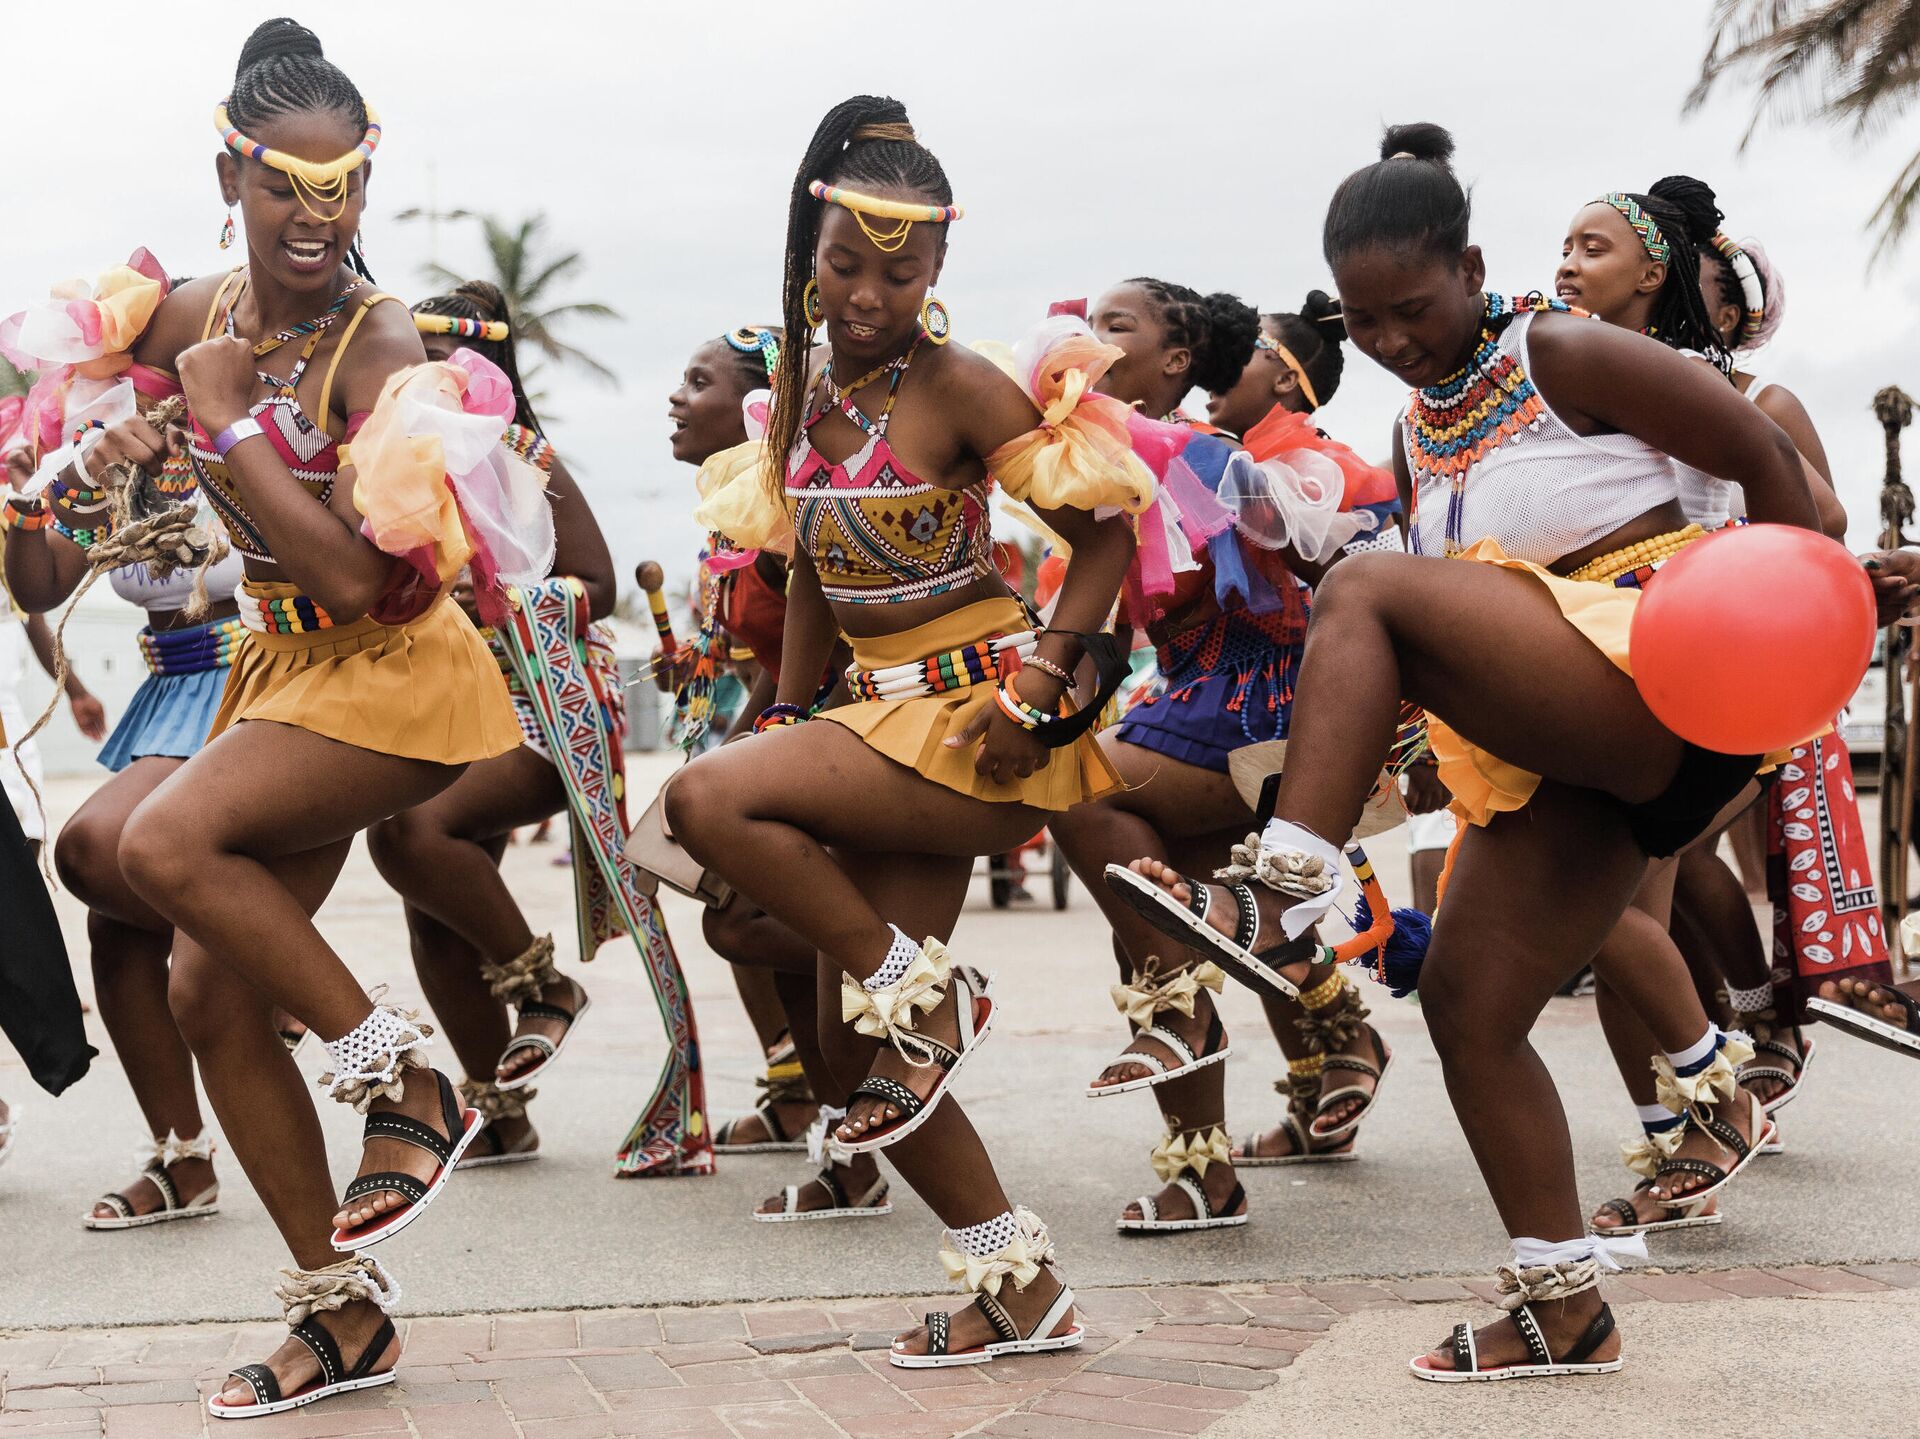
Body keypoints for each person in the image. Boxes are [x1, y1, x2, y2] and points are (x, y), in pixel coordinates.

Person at [1105, 123, 1859, 1382]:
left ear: (1470, 266)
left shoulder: (1560, 348)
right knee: (1469, 997)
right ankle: (1564, 1303)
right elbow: (1460, 638)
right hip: (1575, 749)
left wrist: (1789, 640)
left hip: (1664, 678)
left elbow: (1779, 476)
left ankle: (1281, 890)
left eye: (1410, 307)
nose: (1391, 340)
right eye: (1363, 322)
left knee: (1369, 589)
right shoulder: (1417, 430)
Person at [47, 18, 533, 1417]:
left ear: (367, 189)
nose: (314, 219)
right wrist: (116, 436)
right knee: (207, 987)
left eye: (342, 190)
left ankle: (405, 1081)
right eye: (283, 189)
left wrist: (232, 423)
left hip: (394, 673)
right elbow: (76, 469)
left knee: (165, 839)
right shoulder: (190, 312)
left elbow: (361, 583)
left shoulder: (382, 348)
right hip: (279, 670)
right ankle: (340, 1314)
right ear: (230, 174)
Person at [670, 94, 1151, 1366]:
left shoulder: (961, 386)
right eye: (844, 266)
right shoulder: (804, 383)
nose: (868, 293)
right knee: (850, 1060)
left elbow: (1104, 531)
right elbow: (817, 566)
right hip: (875, 719)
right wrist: (785, 706)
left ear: (938, 269)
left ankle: (919, 989)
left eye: (899, 271)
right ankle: (1019, 1279)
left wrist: (1042, 684)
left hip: (979, 715)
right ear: (810, 255)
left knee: (704, 800)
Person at [1050, 280, 1401, 1232]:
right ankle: (1205, 1171)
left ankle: (1258, 1024)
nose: (1090, 342)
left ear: (1176, 363)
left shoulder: (1213, 459)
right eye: (1087, 327)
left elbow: (1336, 554)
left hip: (1273, 712)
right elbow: (1108, 634)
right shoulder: (1101, 470)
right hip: (1191, 710)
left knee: (1080, 794)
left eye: (1116, 328)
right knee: (1153, 905)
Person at [366, 281, 617, 1169]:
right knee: (431, 916)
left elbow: (598, 583)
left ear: (486, 371)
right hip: (439, 713)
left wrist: (495, 602)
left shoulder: (523, 456)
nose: (426, 380)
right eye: (410, 364)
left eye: (443, 362)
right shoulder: (382, 468)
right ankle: (498, 1110)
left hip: (539, 708)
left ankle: (545, 985)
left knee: (410, 832)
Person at [3, 334, 242, 1231]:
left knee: (94, 846)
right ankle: (182, 1158)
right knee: (114, 919)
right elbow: (37, 587)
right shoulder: (103, 455)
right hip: (171, 687)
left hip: (262, 680)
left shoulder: (236, 432)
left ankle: (278, 977)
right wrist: (45, 490)